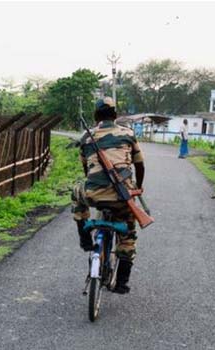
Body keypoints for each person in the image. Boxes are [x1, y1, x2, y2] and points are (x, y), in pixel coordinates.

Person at [71, 97, 145, 294]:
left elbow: (86, 168)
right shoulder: (128, 134)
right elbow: (140, 164)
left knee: (76, 193)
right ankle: (121, 282)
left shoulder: (87, 138)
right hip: (122, 196)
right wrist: (138, 187)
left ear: (96, 116)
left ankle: (84, 236)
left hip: (93, 193)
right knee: (128, 235)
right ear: (115, 115)